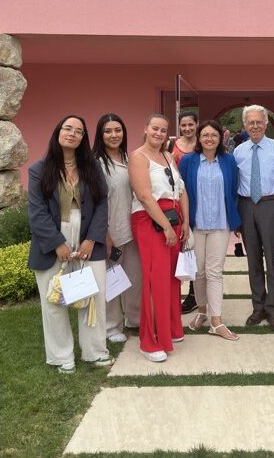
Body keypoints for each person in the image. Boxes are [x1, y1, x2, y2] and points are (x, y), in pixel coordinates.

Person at [27, 115, 112, 373]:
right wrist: (57, 243)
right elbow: (37, 212)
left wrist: (91, 239)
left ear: (84, 138)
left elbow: (101, 204)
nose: (72, 133)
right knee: (54, 300)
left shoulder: (92, 168)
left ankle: (95, 351)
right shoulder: (39, 169)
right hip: (53, 238)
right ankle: (62, 356)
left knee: (93, 296)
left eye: (79, 131)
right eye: (68, 128)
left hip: (87, 237)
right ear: (58, 132)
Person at [128, 114, 190, 362]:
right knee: (156, 280)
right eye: (155, 128)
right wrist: (165, 226)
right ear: (145, 129)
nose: (159, 133)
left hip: (173, 218)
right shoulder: (137, 157)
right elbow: (144, 195)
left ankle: (171, 328)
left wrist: (185, 221)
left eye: (164, 130)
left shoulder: (168, 156)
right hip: (150, 220)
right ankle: (150, 340)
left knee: (171, 279)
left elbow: (180, 189)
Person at [233, 105, 274, 331]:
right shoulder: (238, 151)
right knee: (253, 262)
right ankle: (257, 307)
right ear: (245, 125)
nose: (255, 126)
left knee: (272, 261)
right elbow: (234, 185)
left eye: (259, 122)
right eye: (251, 122)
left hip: (271, 205)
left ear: (266, 123)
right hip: (246, 206)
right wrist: (236, 218)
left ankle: (272, 310)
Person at [179, 120, 242, 341]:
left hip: (220, 224)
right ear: (198, 137)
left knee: (214, 272)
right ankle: (202, 312)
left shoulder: (228, 161)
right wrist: (184, 222)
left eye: (213, 135)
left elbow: (233, 190)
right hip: (195, 225)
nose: (209, 139)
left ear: (220, 138)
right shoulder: (188, 161)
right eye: (205, 135)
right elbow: (181, 191)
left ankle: (217, 321)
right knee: (198, 272)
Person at [92, 113, 142, 344]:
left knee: (135, 278)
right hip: (111, 232)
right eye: (108, 131)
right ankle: (112, 327)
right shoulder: (97, 164)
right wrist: (104, 233)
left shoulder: (129, 158)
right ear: (100, 135)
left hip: (134, 231)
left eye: (118, 130)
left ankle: (135, 319)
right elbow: (94, 201)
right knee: (112, 280)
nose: (114, 135)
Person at [170, 110, 199, 315]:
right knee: (178, 247)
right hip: (176, 201)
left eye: (191, 124)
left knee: (193, 249)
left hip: (198, 199)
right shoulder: (171, 146)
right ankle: (173, 293)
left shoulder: (203, 144)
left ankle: (194, 295)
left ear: (197, 125)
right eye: (183, 125)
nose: (187, 128)